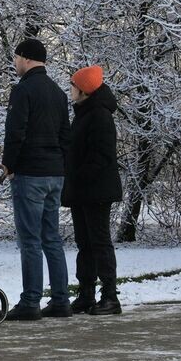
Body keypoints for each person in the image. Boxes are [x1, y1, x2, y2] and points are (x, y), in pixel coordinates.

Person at [0, 39, 72, 320]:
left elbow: (15, 132)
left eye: (17, 58)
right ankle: (60, 300)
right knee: (51, 238)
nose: (15, 63)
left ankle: (31, 301)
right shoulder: (58, 93)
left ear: (27, 59)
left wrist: (9, 165)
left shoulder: (23, 91)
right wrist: (60, 165)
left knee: (30, 240)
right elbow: (66, 136)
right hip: (55, 174)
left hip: (29, 174)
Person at [62, 65, 124, 315]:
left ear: (84, 90)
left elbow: (101, 155)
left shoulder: (99, 115)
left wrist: (79, 176)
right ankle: (86, 293)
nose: (70, 90)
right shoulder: (84, 113)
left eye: (73, 86)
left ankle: (110, 296)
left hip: (96, 190)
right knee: (84, 243)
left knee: (99, 242)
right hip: (83, 190)